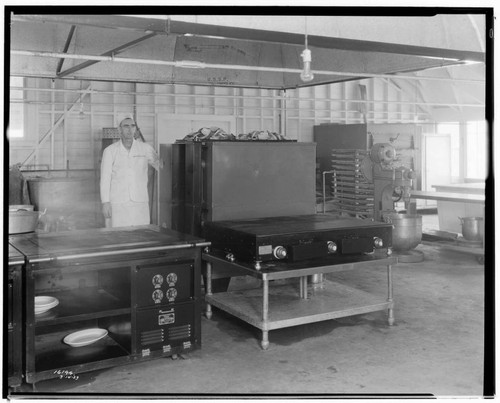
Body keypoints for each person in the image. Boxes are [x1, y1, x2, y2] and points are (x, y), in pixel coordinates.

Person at [100, 114, 159, 227]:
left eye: (132, 126)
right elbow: (105, 178)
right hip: (118, 203)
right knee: (119, 236)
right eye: (126, 126)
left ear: (135, 129)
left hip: (140, 202)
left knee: (141, 235)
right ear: (119, 129)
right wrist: (105, 202)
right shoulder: (110, 151)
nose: (129, 129)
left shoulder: (146, 148)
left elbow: (161, 166)